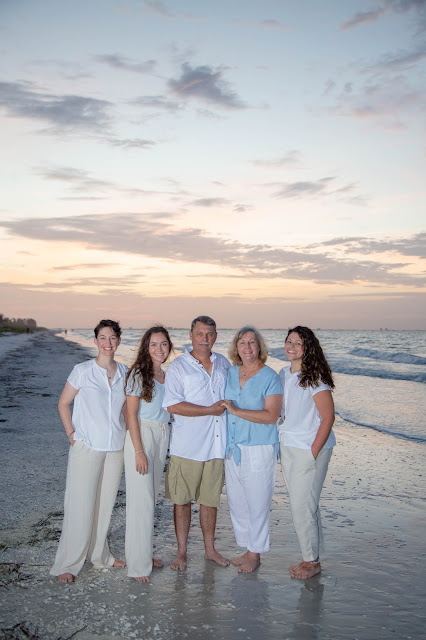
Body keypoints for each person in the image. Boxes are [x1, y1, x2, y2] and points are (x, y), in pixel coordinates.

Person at [50, 319, 127, 583]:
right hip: (87, 447)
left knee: (104, 506)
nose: (108, 343)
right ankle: (68, 563)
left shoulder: (125, 373)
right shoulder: (82, 370)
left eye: (113, 338)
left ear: (119, 341)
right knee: (80, 504)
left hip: (115, 448)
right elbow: (63, 403)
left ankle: (101, 557)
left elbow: (127, 412)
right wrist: (72, 435)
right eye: (103, 338)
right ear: (95, 341)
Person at [163, 315, 230, 571]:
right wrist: (209, 411)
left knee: (210, 500)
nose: (205, 339)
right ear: (191, 335)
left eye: (210, 334)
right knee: (182, 501)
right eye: (200, 333)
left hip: (216, 445)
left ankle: (210, 549)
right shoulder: (179, 367)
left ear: (216, 336)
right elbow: (172, 405)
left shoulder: (223, 363)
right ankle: (181, 552)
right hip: (187, 446)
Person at [221, 326, 282, 573]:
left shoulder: (270, 377)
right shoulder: (230, 373)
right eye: (243, 342)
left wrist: (236, 411)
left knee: (257, 501)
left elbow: (272, 416)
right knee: (237, 501)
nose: (247, 347)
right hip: (233, 446)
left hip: (258, 447)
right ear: (236, 348)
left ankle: (255, 553)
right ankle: (247, 547)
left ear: (260, 348)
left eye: (252, 343)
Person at [279, 326, 336, 579]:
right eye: (289, 341)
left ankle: (311, 561)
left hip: (309, 448)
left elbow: (328, 418)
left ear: (308, 348)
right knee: (305, 504)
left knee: (301, 505)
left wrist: (313, 453)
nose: (292, 346)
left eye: (298, 343)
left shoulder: (315, 377)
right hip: (288, 445)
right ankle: (312, 556)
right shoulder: (283, 374)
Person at [124, 326, 173, 582]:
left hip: (162, 434)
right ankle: (137, 567)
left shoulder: (167, 376)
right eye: (154, 344)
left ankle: (143, 553)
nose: (159, 349)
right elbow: (130, 414)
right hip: (141, 435)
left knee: (151, 498)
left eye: (163, 344)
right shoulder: (137, 375)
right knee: (140, 501)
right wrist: (139, 450)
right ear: (146, 347)